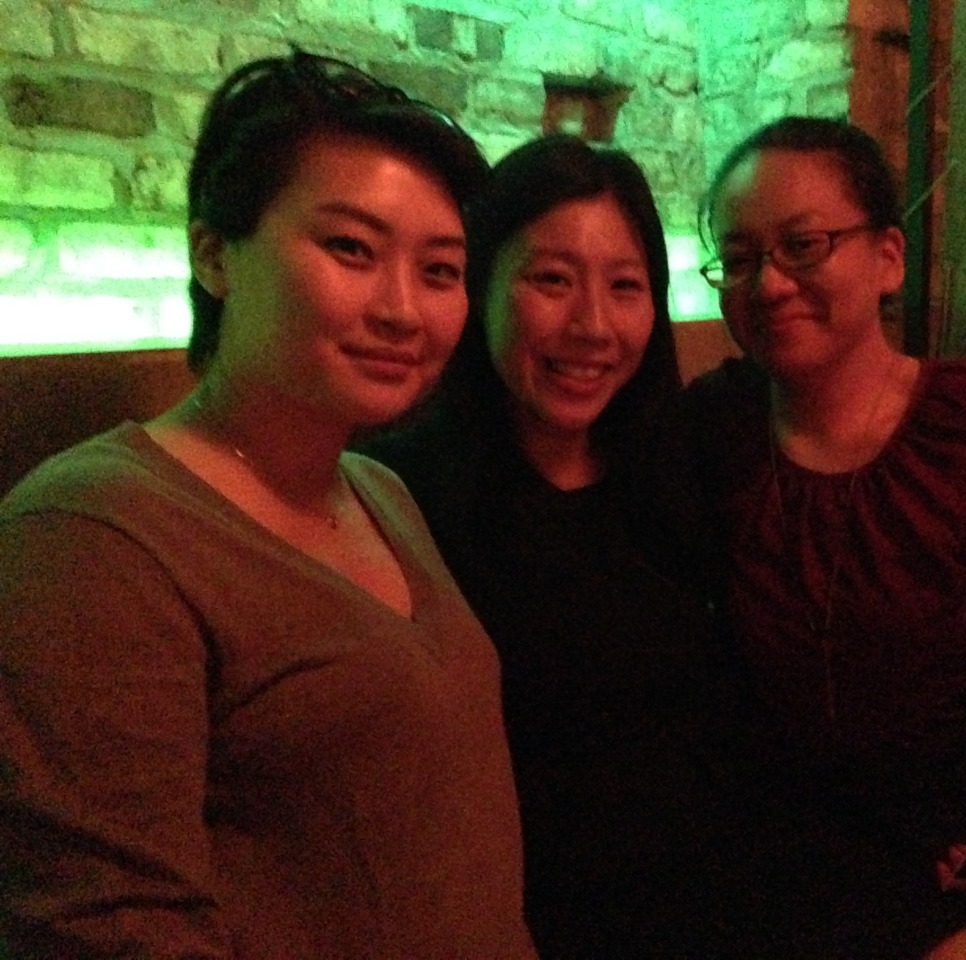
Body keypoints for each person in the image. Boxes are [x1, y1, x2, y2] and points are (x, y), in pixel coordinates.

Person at [0, 50, 536, 959]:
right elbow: (106, 926)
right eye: (351, 249)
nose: (404, 309)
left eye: (441, 270)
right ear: (215, 254)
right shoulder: (93, 536)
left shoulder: (380, 491)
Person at [683, 115, 966, 958]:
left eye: (804, 246)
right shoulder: (713, 430)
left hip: (958, 840)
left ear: (888, 258)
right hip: (777, 842)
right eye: (741, 258)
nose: (770, 284)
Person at [362, 134, 748, 958]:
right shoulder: (393, 499)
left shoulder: (687, 471)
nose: (593, 326)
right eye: (552, 280)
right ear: (478, 284)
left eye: (626, 287)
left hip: (713, 910)